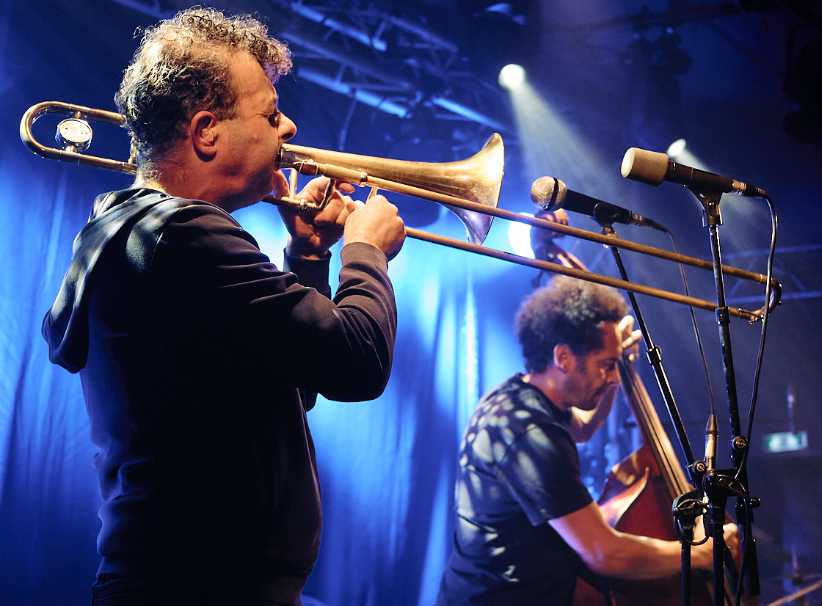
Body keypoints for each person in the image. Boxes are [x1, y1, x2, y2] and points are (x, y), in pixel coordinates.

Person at [41, 8, 405, 606]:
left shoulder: (147, 234)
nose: (289, 127)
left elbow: (292, 380)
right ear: (207, 131)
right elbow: (356, 363)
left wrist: (309, 259)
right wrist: (367, 251)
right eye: (269, 113)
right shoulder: (185, 235)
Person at [437, 276, 739, 605]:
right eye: (606, 366)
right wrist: (701, 554)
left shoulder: (518, 399)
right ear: (563, 358)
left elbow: (582, 428)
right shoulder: (532, 435)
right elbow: (603, 553)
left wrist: (616, 370)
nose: (613, 377)